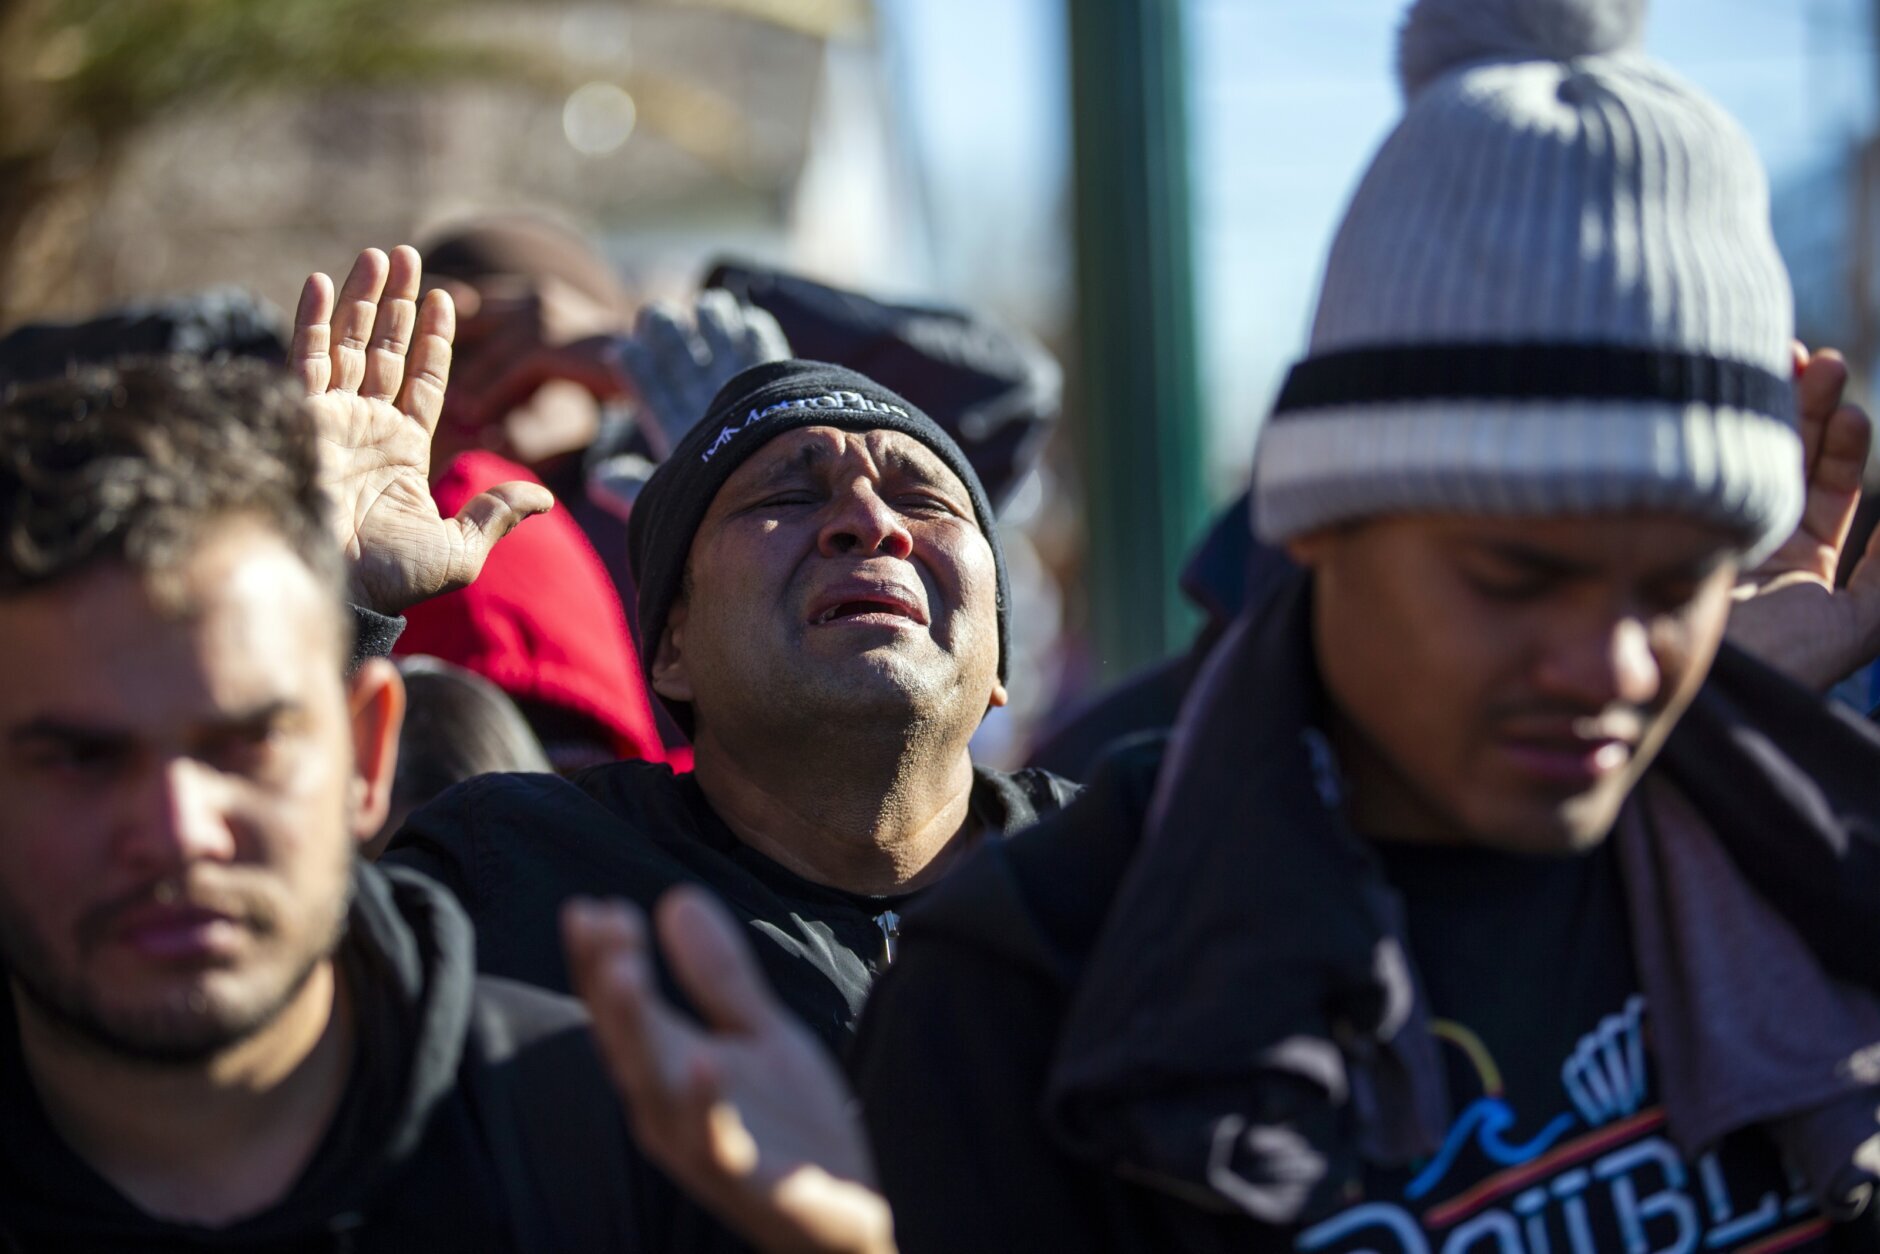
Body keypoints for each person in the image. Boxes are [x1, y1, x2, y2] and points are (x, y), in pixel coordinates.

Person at [834, 0, 1880, 1249]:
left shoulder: (1823, 864)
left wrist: (1746, 737)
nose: (1605, 664)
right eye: (1513, 576)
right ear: (1316, 526)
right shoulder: (1029, 984)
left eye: (1671, 589)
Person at [0, 340, 884, 1251]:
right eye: (80, 760)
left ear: (366, 753)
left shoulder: (645, 1147)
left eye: (248, 743)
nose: (178, 830)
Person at [379, 336, 1078, 1050]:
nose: (873, 524)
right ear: (672, 648)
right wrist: (343, 609)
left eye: (923, 499)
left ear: (1000, 658)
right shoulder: (516, 872)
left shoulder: (1119, 872)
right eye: (789, 497)